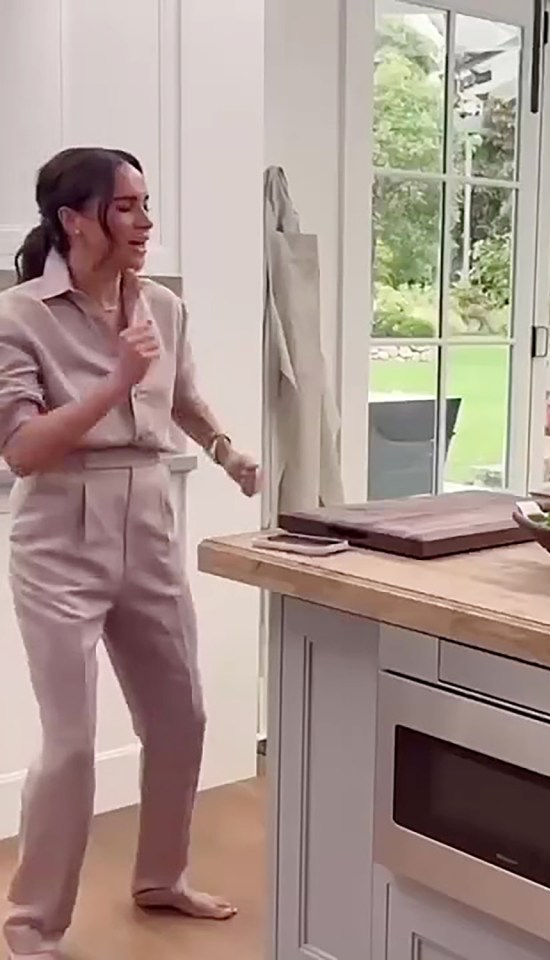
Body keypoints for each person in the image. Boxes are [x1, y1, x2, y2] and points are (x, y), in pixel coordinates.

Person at [0, 147, 260, 959]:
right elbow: (23, 451)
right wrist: (114, 383)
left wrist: (225, 449)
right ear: (73, 221)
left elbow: (178, 396)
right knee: (73, 745)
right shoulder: (17, 316)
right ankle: (31, 925)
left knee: (182, 716)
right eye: (125, 208)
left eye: (147, 206)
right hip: (58, 533)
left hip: (148, 516)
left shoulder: (163, 309)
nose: (145, 223)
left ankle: (161, 877)